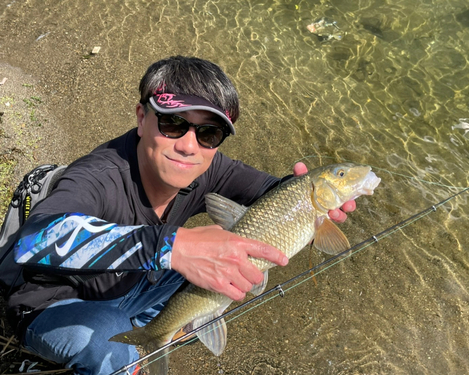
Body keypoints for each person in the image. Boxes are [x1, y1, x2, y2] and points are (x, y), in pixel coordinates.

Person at [6, 55, 355, 374]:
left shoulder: (207, 164)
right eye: (172, 123)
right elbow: (34, 241)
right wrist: (172, 244)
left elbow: (271, 196)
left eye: (208, 132)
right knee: (113, 351)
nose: (189, 145)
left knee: (220, 280)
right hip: (57, 303)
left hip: (135, 282)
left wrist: (312, 198)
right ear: (142, 118)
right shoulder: (99, 176)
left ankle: (157, 331)